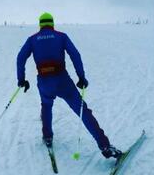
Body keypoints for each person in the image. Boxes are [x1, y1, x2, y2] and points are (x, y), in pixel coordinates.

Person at [16, 12, 122, 159]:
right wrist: (81, 77)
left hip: (44, 81)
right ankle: (105, 146)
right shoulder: (61, 36)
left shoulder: (32, 39)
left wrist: (21, 79)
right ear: (52, 24)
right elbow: (75, 55)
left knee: (46, 106)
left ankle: (47, 136)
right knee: (82, 111)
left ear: (40, 25)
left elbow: (20, 58)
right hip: (62, 81)